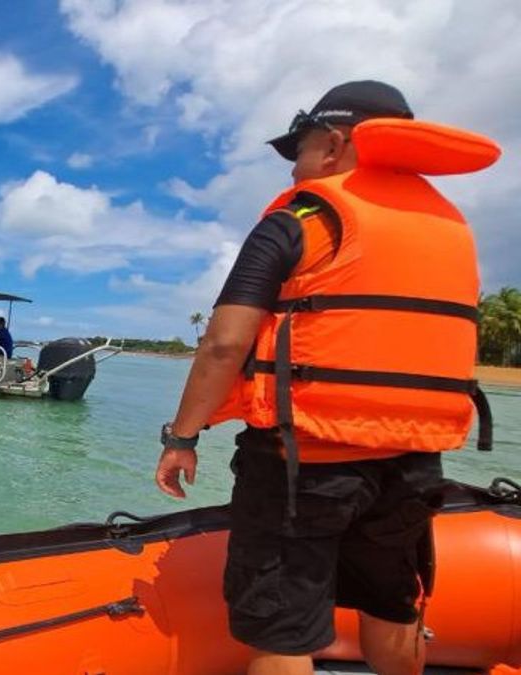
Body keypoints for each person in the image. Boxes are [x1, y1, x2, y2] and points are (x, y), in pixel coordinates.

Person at [153, 81, 499, 675]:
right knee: (393, 606)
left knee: (281, 629)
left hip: (302, 459)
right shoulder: (451, 228)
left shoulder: (302, 217)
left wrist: (181, 439)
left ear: (335, 144)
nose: (295, 171)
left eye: (301, 152)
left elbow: (225, 342)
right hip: (412, 463)